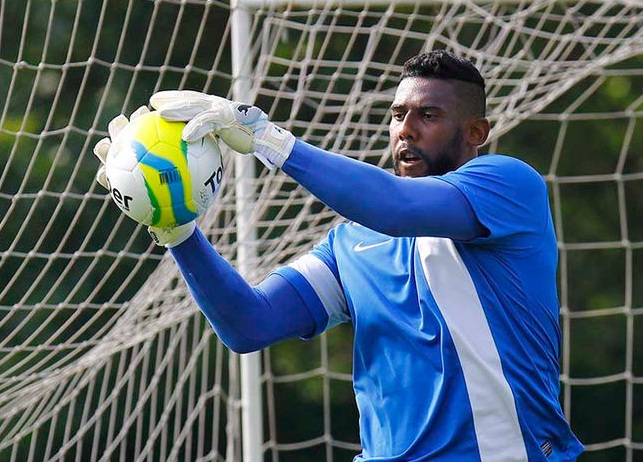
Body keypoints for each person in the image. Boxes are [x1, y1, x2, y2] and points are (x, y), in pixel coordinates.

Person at [95, 50, 584, 461]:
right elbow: (249, 324)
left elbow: (395, 207)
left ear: (476, 132)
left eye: (428, 116)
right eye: (398, 115)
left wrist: (269, 140)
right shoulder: (351, 243)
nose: (406, 130)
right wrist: (178, 231)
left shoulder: (508, 186)